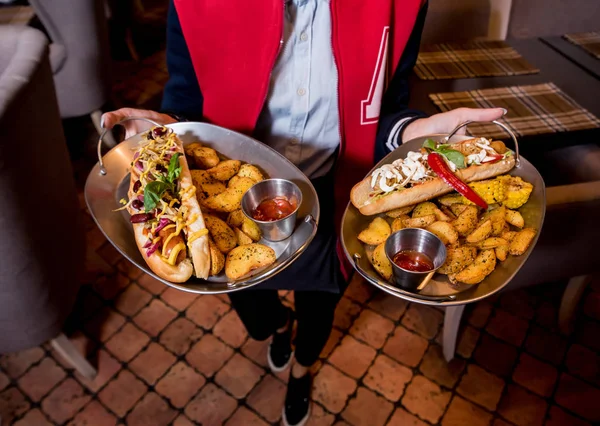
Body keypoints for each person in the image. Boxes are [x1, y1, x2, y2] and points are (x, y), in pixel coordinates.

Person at [102, 1, 505, 424]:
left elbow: (385, 106)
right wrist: (166, 127)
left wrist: (410, 132)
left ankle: (301, 369)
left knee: (319, 308)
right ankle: (277, 326)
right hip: (233, 212)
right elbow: (185, 101)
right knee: (255, 314)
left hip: (333, 199)